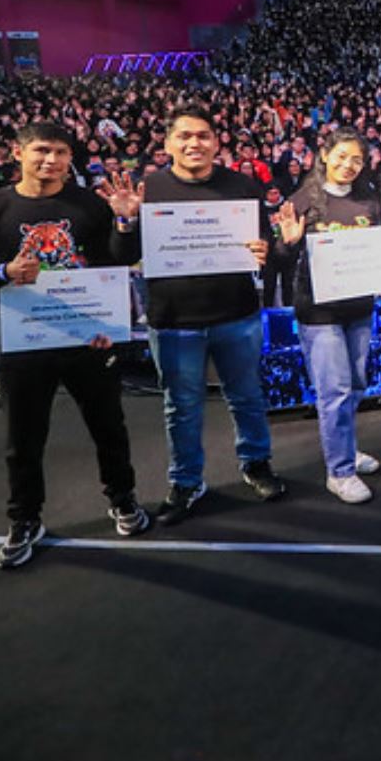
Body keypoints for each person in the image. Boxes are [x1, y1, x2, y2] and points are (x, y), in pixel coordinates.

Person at [0, 123, 149, 570]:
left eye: (61, 152)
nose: (52, 160)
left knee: (109, 427)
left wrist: (123, 220)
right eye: (42, 150)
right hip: (26, 341)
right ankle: (25, 519)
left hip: (89, 335)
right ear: (17, 152)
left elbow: (116, 263)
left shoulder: (89, 205)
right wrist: (4, 272)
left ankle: (122, 499)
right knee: (22, 439)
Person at [143, 104, 284, 525]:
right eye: (184, 136)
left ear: (216, 141)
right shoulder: (149, 190)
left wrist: (265, 250)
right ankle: (186, 481)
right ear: (168, 144)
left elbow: (261, 244)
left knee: (247, 396)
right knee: (181, 407)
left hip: (236, 314)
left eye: (203, 135)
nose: (194, 143)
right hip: (173, 321)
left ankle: (256, 464)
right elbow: (125, 256)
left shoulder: (241, 185)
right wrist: (124, 224)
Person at [272, 131, 381, 503]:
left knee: (357, 384)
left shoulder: (370, 200)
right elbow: (278, 260)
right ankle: (339, 471)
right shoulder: (303, 200)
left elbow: (378, 250)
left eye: (356, 160)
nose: (348, 165)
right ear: (324, 154)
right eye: (341, 157)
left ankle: (345, 447)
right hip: (318, 311)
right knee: (335, 390)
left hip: (358, 308)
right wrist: (289, 242)